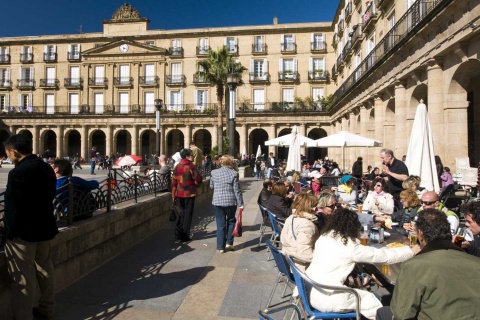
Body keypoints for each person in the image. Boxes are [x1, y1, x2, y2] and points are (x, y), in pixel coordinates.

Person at [306, 208, 418, 320]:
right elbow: (384, 256)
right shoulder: (350, 247)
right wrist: (411, 250)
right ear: (353, 226)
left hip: (311, 289)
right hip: (328, 298)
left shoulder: (325, 237)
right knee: (372, 303)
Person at [376, 209, 480, 320]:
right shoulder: (476, 263)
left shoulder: (414, 266)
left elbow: (402, 313)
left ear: (420, 234)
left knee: (383, 312)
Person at [3, 134, 59, 320]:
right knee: (45, 270)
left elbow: (13, 207)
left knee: (23, 278)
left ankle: (23, 316)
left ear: (14, 151)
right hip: (45, 227)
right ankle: (47, 310)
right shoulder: (46, 168)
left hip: (24, 233)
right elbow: (51, 194)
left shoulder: (17, 173)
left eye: (8, 154)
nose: (8, 157)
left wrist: (8, 232)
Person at [210, 155, 244, 253]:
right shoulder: (234, 173)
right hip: (230, 202)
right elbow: (237, 190)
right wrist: (240, 203)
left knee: (220, 225)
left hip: (217, 201)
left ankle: (220, 247)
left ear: (221, 162)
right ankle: (229, 243)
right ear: (230, 163)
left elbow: (211, 186)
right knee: (231, 221)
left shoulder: (214, 172)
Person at [281, 193, 320, 271]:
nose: (317, 209)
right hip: (302, 268)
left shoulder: (291, 218)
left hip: (289, 260)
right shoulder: (307, 226)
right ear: (310, 208)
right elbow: (305, 254)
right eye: (315, 207)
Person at [171, 148, 203, 242]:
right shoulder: (190, 166)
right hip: (189, 193)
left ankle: (178, 233)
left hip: (179, 193)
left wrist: (173, 194)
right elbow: (198, 179)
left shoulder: (177, 166)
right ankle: (185, 236)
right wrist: (196, 184)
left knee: (182, 213)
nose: (193, 156)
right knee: (188, 214)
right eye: (192, 154)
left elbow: (173, 182)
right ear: (187, 156)